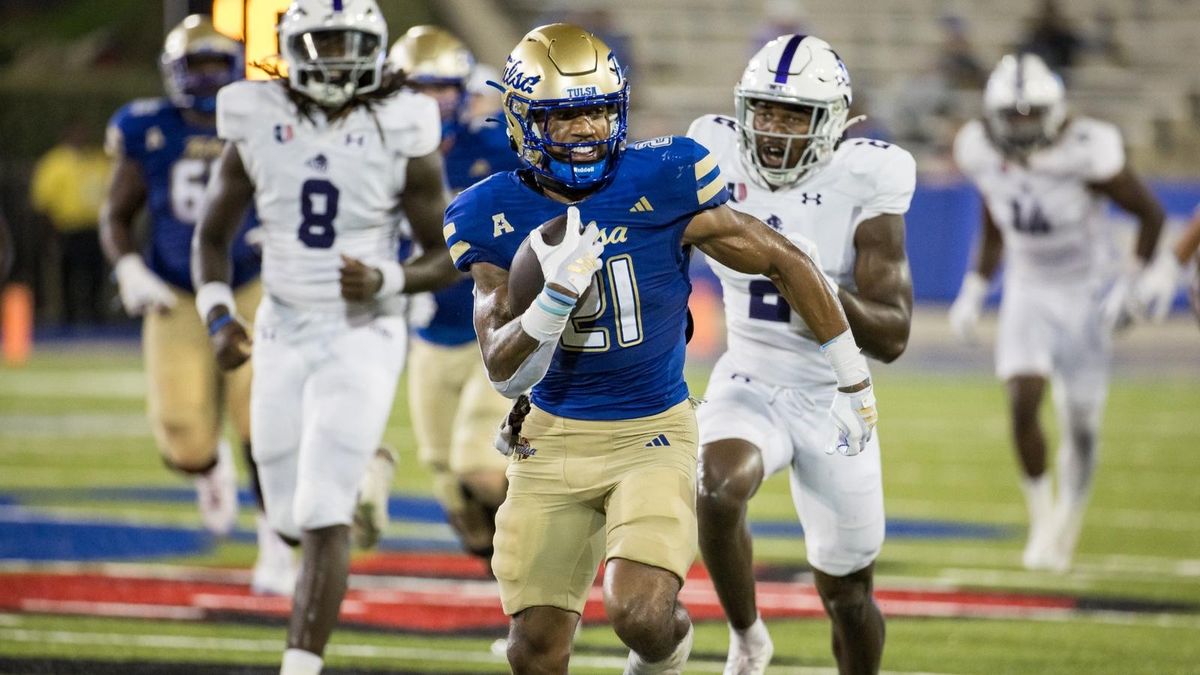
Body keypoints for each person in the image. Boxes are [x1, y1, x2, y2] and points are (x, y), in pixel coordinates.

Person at [444, 23, 878, 674]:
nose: (587, 130)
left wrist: (852, 377)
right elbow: (504, 370)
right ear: (522, 120)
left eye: (598, 111)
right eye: (565, 116)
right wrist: (553, 300)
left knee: (642, 613)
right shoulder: (487, 211)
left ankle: (664, 659)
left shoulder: (666, 176)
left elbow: (784, 259)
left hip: (651, 431)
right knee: (532, 651)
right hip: (551, 437)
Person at [190, 1, 456, 673]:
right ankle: (363, 472)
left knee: (320, 508)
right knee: (284, 517)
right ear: (291, 47)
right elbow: (212, 236)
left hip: (362, 329)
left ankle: (301, 664)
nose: (336, 59)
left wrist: (389, 278)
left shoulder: (402, 122)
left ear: (374, 47)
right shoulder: (256, 117)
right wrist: (218, 315)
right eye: (323, 43)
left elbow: (447, 252)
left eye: (349, 43)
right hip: (281, 323)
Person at [687, 35, 914, 675]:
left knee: (847, 594)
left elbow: (893, 336)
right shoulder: (711, 150)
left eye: (794, 116)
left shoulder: (866, 178)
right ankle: (746, 635)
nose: (773, 130)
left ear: (832, 123)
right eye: (763, 110)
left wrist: (815, 285)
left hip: (833, 396)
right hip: (748, 374)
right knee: (715, 486)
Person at [98, 15, 297, 595]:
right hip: (176, 290)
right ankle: (209, 470)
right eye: (197, 66)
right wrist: (128, 266)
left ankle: (274, 543)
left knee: (261, 419)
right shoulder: (147, 126)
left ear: (233, 69)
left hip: (250, 281)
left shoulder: (264, 119)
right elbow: (116, 212)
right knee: (183, 439)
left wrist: (282, 230)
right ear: (174, 72)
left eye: (216, 65)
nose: (208, 78)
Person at [949, 53, 1166, 573]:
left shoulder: (1086, 150)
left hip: (1085, 288)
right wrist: (975, 286)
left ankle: (1071, 515)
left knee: (1082, 425)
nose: (1022, 124)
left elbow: (1150, 213)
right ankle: (1042, 519)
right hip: (1027, 287)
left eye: (1031, 113)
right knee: (1023, 400)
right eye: (1013, 114)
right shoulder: (980, 148)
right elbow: (996, 217)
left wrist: (1132, 281)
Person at [387, 26, 522, 565]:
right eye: (417, 88)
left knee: (482, 469)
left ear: (462, 92)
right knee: (454, 497)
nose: (429, 101)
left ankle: (553, 530)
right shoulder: (375, 150)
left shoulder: (498, 148)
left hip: (492, 331)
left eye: (440, 87)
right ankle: (508, 576)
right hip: (427, 334)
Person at [29, 121, 111, 325]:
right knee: (68, 272)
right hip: (66, 228)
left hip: (95, 227)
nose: (81, 137)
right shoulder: (54, 163)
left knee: (96, 272)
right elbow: (43, 202)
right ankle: (68, 315)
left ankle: (94, 313)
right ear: (66, 135)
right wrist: (48, 233)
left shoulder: (98, 160)